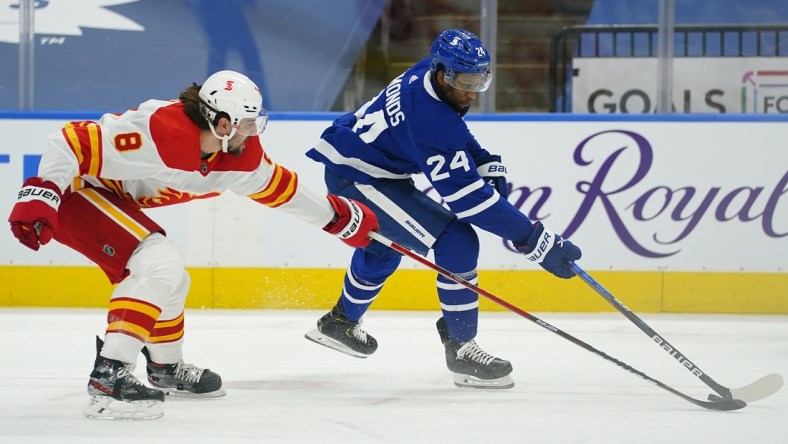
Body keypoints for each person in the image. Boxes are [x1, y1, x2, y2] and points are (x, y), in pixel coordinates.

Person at [7, 70, 378, 420]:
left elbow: (281, 188)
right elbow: (70, 142)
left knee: (172, 278)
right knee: (158, 261)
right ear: (222, 123)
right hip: (77, 191)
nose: (254, 131)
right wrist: (45, 192)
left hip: (109, 197)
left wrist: (337, 218)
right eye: (248, 123)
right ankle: (111, 375)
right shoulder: (157, 129)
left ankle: (165, 367)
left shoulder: (238, 157)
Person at [303, 29, 581, 389]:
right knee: (457, 240)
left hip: (361, 165)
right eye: (466, 80)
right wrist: (534, 240)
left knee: (383, 251)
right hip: (359, 178)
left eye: (480, 79)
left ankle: (340, 323)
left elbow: (452, 128)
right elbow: (470, 203)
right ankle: (461, 348)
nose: (472, 90)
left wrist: (480, 159)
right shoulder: (429, 121)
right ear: (443, 73)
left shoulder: (428, 75)